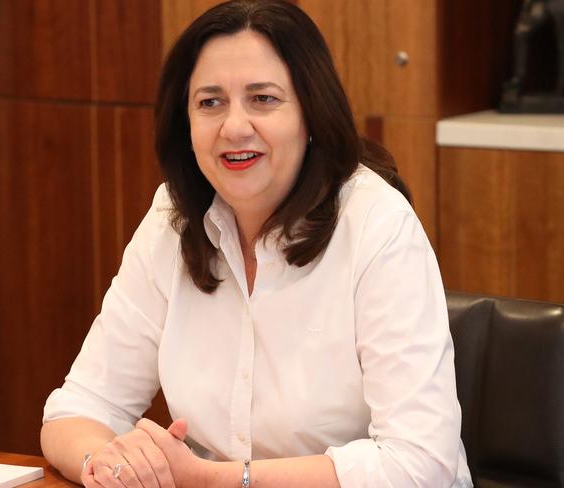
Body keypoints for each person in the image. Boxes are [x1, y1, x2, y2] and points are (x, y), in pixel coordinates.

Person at [41, 1, 473, 487]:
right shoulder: (173, 218)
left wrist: (211, 479)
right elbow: (78, 409)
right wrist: (112, 466)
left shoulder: (377, 224)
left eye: (263, 99)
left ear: (311, 113)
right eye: (210, 102)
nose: (234, 126)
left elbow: (418, 465)